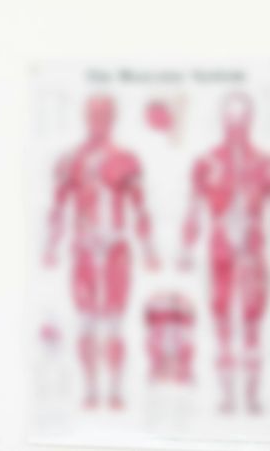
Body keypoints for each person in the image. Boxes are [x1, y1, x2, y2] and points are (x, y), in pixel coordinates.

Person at [43, 95, 158, 410]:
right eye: (94, 114)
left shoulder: (126, 160)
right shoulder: (70, 160)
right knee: (86, 323)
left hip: (116, 249)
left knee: (114, 324)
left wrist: (149, 250)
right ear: (84, 116)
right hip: (82, 249)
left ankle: (116, 391)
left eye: (105, 114)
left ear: (114, 117)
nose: (99, 120)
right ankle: (92, 391)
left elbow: (140, 205)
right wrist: (50, 247)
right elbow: (58, 207)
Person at [179, 91, 268, 414]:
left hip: (254, 249)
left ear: (250, 120)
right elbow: (193, 208)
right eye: (231, 119)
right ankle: (227, 397)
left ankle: (253, 397)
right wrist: (186, 248)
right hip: (220, 248)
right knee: (222, 322)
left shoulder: (264, 163)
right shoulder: (207, 163)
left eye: (242, 119)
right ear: (222, 120)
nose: (236, 127)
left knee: (253, 323)